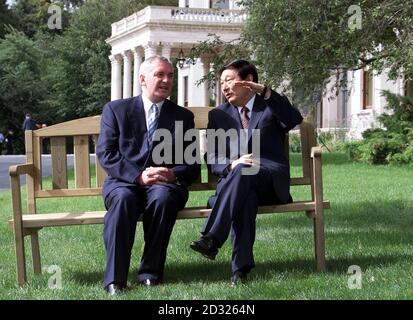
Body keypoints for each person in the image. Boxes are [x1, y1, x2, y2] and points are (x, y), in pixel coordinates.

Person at [190, 59, 303, 286]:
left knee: (245, 172)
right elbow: (212, 158)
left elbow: (293, 119)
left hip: (269, 182)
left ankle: (211, 237)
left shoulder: (269, 107)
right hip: (238, 182)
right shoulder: (219, 115)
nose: (224, 86)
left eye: (229, 80)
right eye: (221, 82)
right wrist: (231, 165)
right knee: (245, 193)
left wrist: (267, 92)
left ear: (249, 81)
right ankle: (240, 271)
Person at [96, 55, 200, 295]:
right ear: (142, 79)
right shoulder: (116, 110)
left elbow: (192, 165)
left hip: (165, 185)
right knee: (123, 200)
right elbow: (107, 153)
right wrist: (138, 177)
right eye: (160, 74)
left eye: (170, 75)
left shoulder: (183, 117)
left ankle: (150, 273)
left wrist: (172, 173)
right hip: (124, 182)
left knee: (163, 198)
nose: (166, 80)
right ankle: (115, 279)